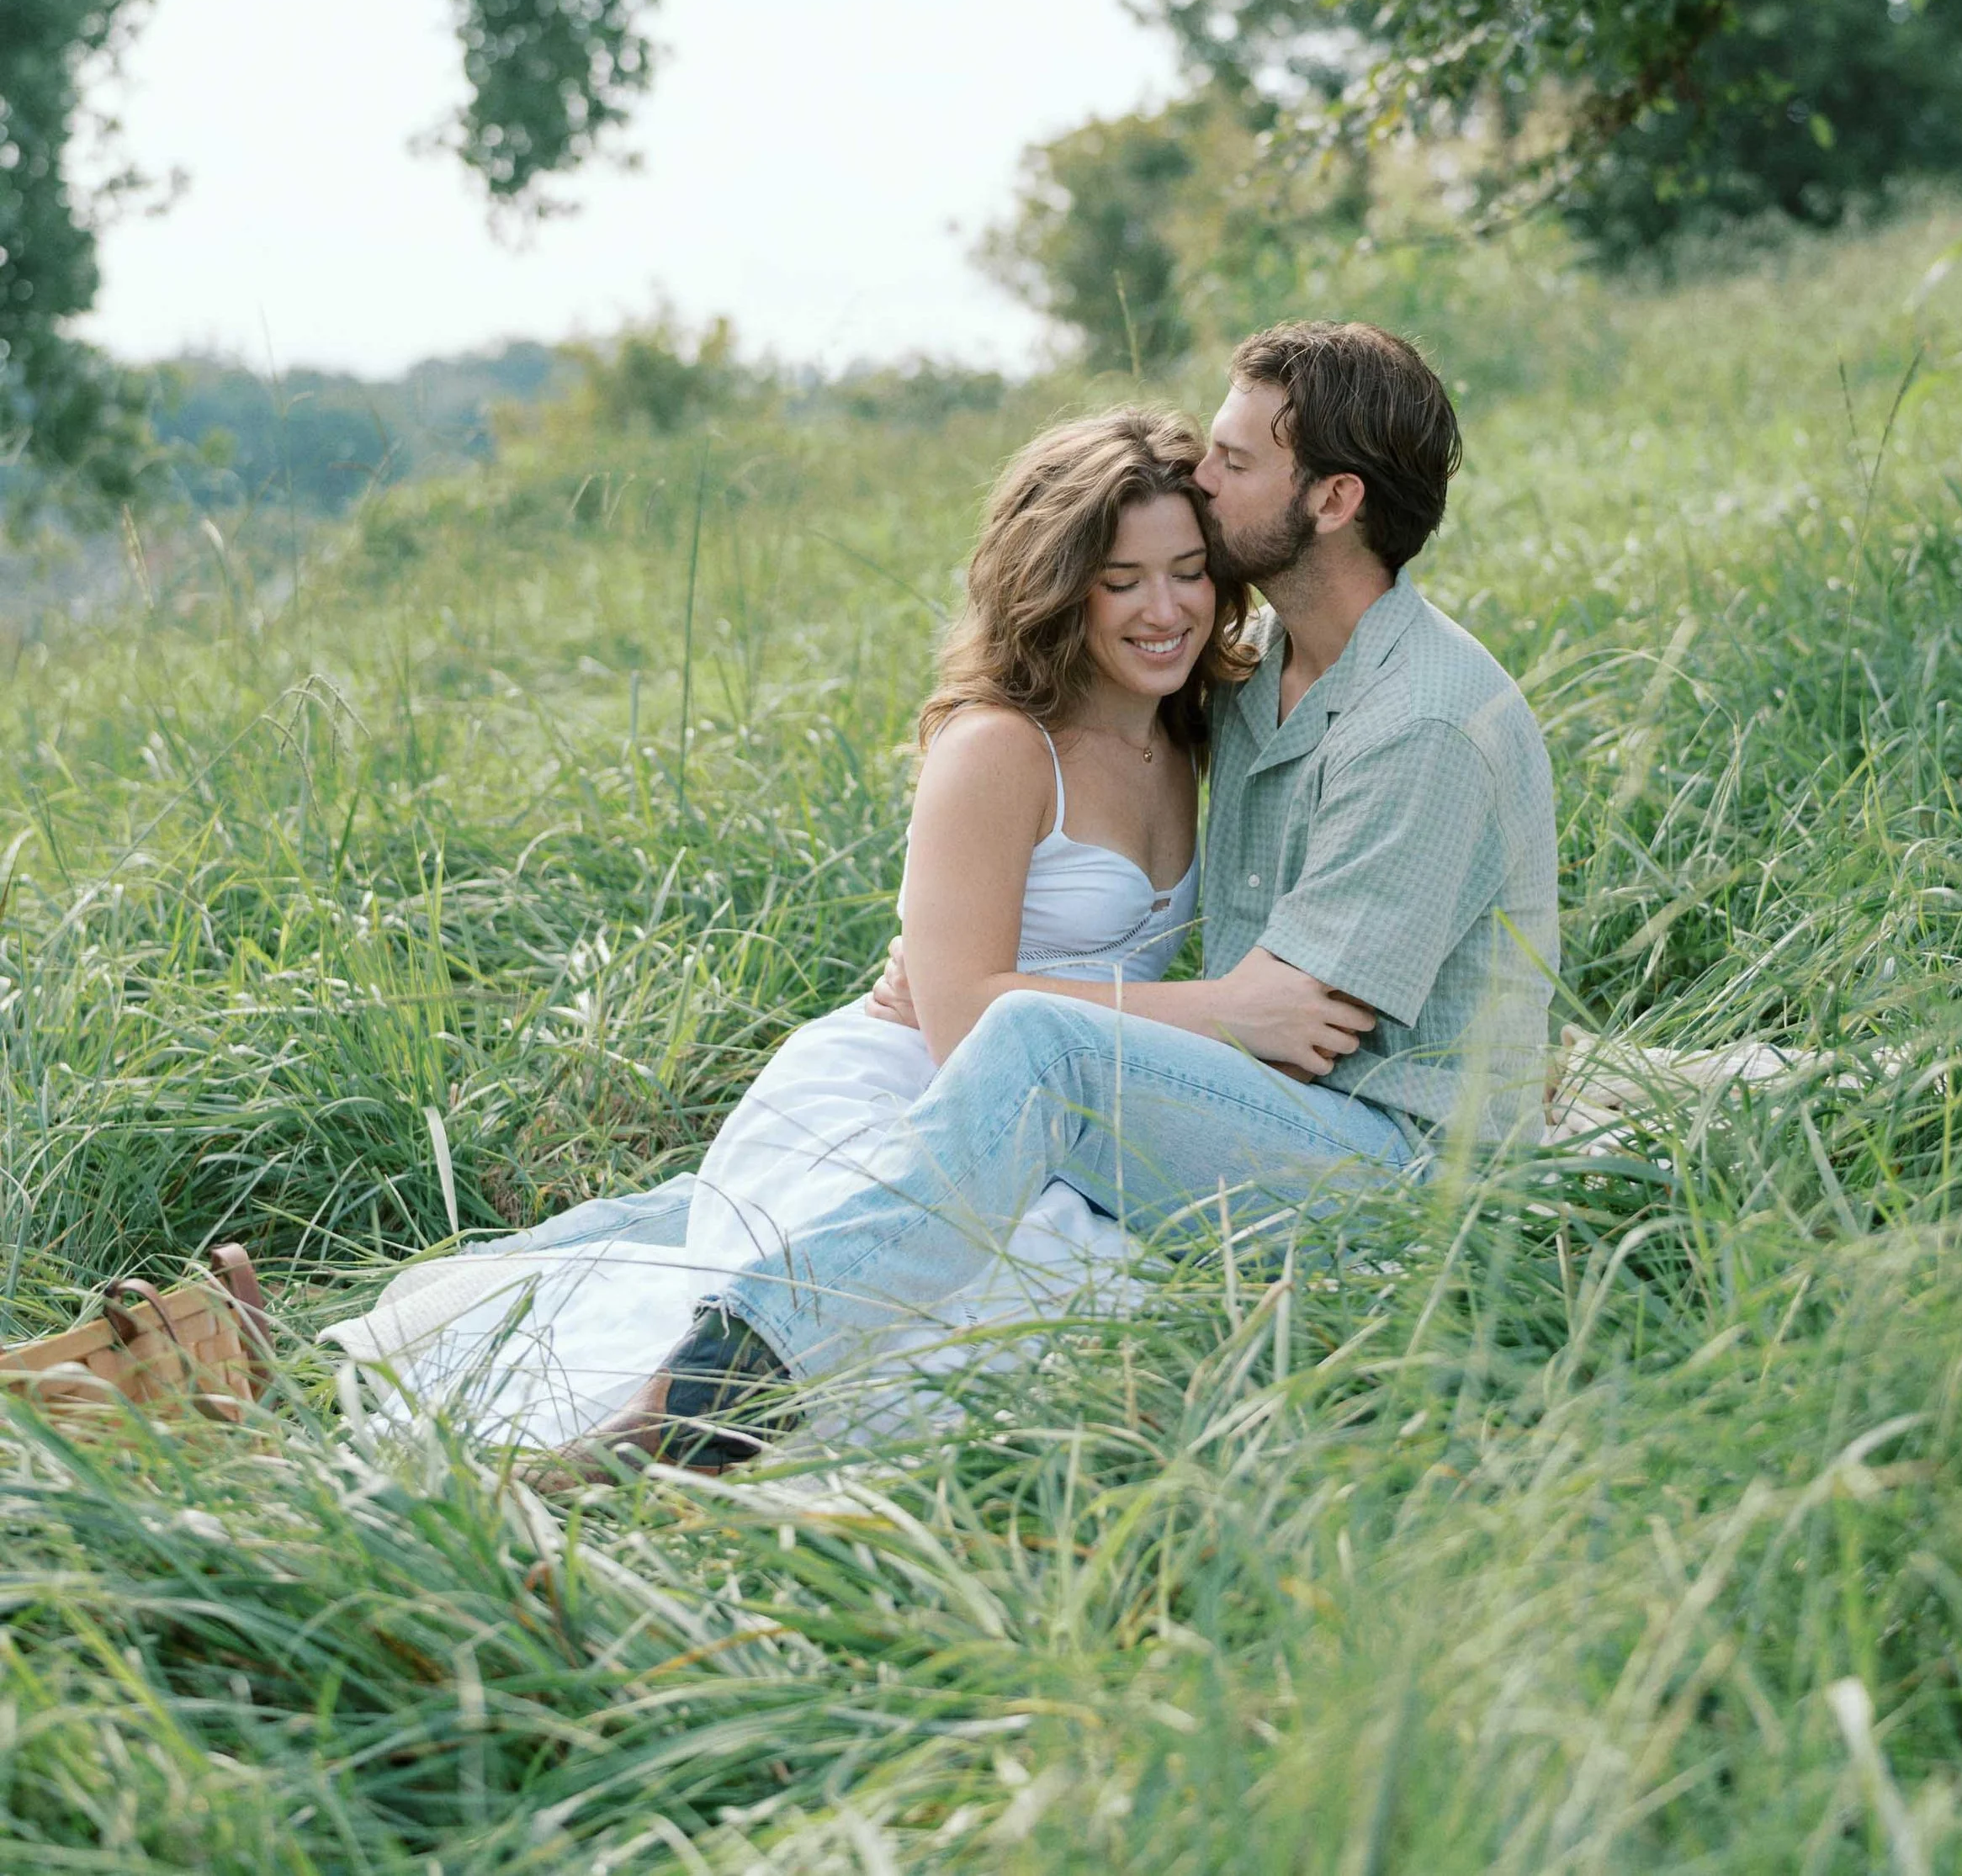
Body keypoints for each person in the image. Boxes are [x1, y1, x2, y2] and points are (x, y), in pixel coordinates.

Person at [617, 320, 1560, 1470]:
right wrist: (991, 975)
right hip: (1255, 1108)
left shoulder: (1415, 723)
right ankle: (706, 1404)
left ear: (1331, 499)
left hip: (1395, 1162)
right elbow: (1218, 998)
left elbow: (1295, 1025)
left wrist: (1028, 994)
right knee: (1025, 1065)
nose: (1202, 483)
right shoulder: (1251, 683)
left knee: (1039, 1049)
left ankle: (684, 1418)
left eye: (1233, 460)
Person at [325, 405, 1272, 1456]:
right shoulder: (1003, 747)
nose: (1165, 609)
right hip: (908, 1095)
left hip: (1082, 1110)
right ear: (1057, 585)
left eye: (1189, 570)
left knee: (1155, 1314)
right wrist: (1223, 1014)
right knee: (989, 1336)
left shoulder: (1202, 720)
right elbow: (963, 1024)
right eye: (1121, 579)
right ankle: (622, 1436)